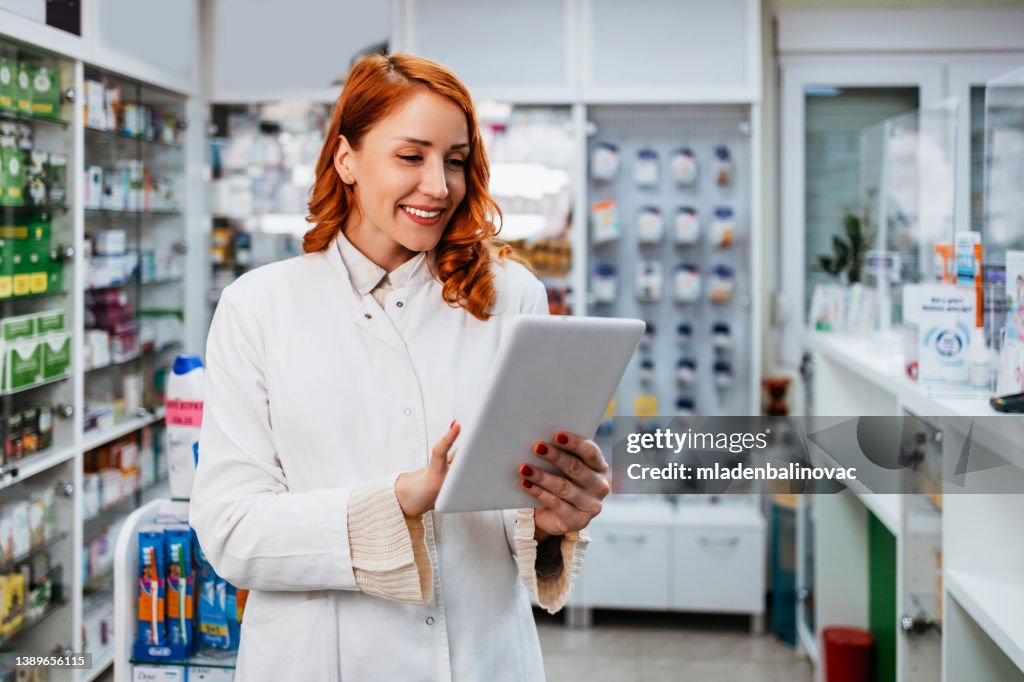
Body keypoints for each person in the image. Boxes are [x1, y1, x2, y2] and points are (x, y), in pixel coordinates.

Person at [189, 52, 611, 681]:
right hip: (317, 661)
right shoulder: (259, 306)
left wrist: (549, 521)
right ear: (346, 159)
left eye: (456, 160)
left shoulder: (511, 296)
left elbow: (515, 505)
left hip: (482, 655)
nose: (439, 186)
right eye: (411, 157)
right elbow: (230, 531)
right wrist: (399, 499)